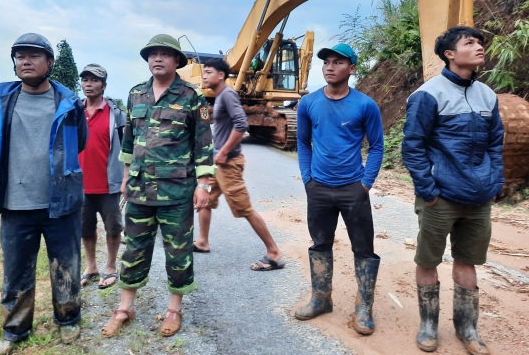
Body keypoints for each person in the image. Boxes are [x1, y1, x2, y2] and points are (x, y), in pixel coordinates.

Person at [101, 34, 216, 338]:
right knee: (134, 250)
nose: (158, 58)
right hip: (139, 190)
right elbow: (129, 141)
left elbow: (203, 144)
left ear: (177, 61)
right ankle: (125, 308)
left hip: (176, 190)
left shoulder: (192, 96)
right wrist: (125, 177)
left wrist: (203, 185)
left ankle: (174, 309)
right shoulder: (136, 94)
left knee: (177, 253)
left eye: (165, 54)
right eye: (153, 54)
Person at [402, 26, 504, 354]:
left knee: (467, 261)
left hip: (478, 197)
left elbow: (495, 143)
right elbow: (413, 146)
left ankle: (467, 329)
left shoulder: (487, 95)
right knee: (428, 259)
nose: (478, 48)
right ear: (449, 53)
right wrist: (428, 189)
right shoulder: (428, 94)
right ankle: (429, 325)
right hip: (439, 197)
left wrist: (494, 181)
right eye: (469, 43)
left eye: (479, 43)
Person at [0, 33, 87, 354]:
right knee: (16, 271)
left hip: (61, 203)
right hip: (16, 206)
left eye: (33, 55)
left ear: (50, 63)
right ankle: (15, 330)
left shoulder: (68, 104)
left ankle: (68, 320)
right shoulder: (1, 104)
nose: (25, 61)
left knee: (66, 267)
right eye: (19, 56)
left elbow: (79, 142)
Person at [295, 43, 384, 335]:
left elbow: (377, 146)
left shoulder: (364, 105)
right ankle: (321, 298)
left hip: (352, 189)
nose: (330, 67)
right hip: (319, 188)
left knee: (364, 249)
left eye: (338, 62)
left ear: (352, 68)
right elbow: (302, 142)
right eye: (326, 62)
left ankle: (363, 307)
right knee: (320, 244)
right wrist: (308, 179)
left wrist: (365, 184)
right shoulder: (309, 103)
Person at [193, 57, 284, 271]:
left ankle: (274, 252)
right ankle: (203, 241)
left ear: (221, 75)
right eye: (203, 72)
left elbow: (242, 124)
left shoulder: (228, 95)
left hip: (228, 164)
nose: (204, 76)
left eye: (208, 72)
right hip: (217, 163)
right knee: (204, 199)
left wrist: (224, 152)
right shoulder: (219, 97)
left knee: (244, 208)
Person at [78, 64, 126, 290]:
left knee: (113, 227)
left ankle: (110, 265)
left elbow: (127, 148)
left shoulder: (115, 115)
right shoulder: (74, 112)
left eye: (94, 80)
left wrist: (126, 178)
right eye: (85, 80)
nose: (88, 84)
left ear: (104, 86)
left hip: (109, 183)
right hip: (80, 184)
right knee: (85, 228)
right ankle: (91, 266)